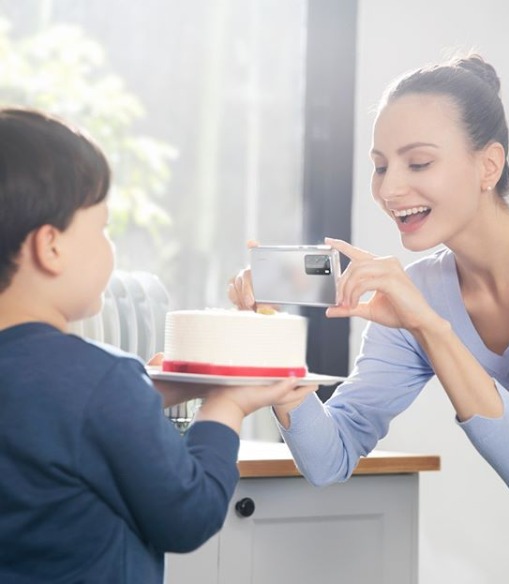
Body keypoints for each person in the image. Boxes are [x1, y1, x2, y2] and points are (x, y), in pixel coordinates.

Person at [229, 54, 509, 583]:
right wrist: (275, 356)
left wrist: (430, 327)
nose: (388, 189)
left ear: (488, 166)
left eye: (418, 163)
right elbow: (330, 457)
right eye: (381, 166)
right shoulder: (417, 292)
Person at [0, 107, 317, 584]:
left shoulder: (83, 386)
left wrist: (151, 389)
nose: (110, 245)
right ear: (51, 247)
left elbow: (58, 422)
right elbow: (187, 515)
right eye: (102, 227)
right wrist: (226, 407)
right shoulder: (103, 381)